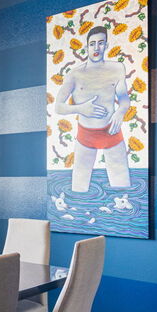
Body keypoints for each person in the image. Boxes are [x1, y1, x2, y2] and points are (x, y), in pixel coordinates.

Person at [53, 26, 131, 192]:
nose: (97, 48)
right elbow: (58, 106)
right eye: (93, 44)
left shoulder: (117, 69)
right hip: (86, 135)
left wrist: (120, 111)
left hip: (112, 131)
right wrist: (81, 108)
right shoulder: (74, 74)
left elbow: (124, 99)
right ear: (86, 47)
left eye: (101, 43)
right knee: (79, 189)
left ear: (106, 45)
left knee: (122, 187)